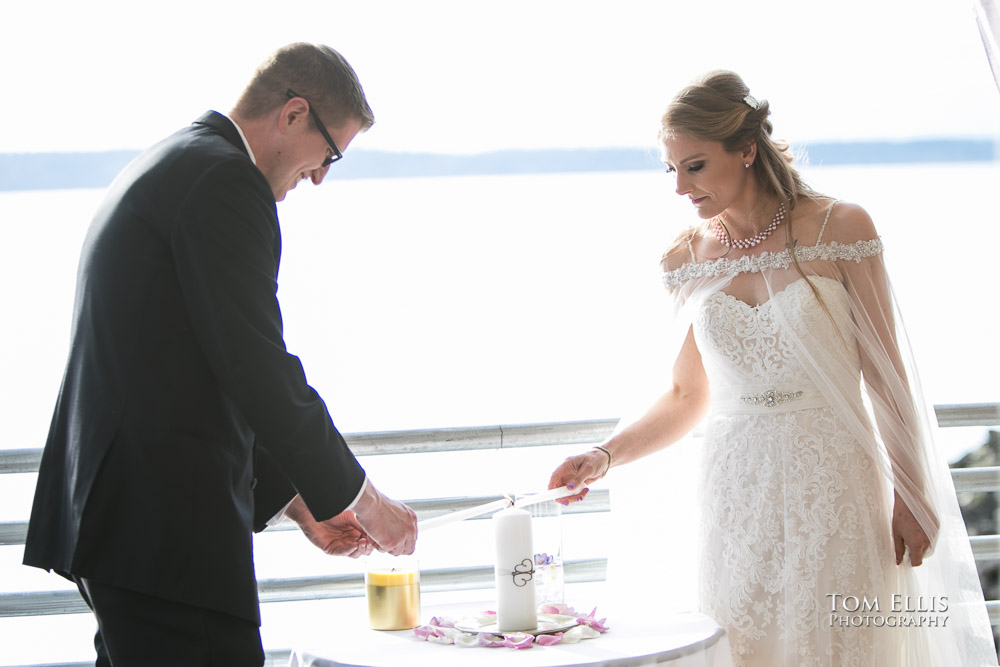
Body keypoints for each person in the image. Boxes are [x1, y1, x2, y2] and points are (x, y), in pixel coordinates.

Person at [549, 71, 997, 666]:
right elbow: (686, 395)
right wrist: (606, 455)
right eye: (672, 169)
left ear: (747, 150)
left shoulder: (841, 228)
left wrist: (911, 492)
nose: (680, 186)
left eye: (696, 166)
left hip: (835, 480)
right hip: (735, 494)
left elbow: (884, 376)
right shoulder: (684, 258)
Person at [23, 43, 417, 666]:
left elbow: (208, 365)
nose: (321, 176)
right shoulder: (226, 181)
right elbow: (259, 365)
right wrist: (363, 502)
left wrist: (299, 503)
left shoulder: (178, 160)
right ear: (292, 114)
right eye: (331, 153)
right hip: (163, 534)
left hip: (126, 524)